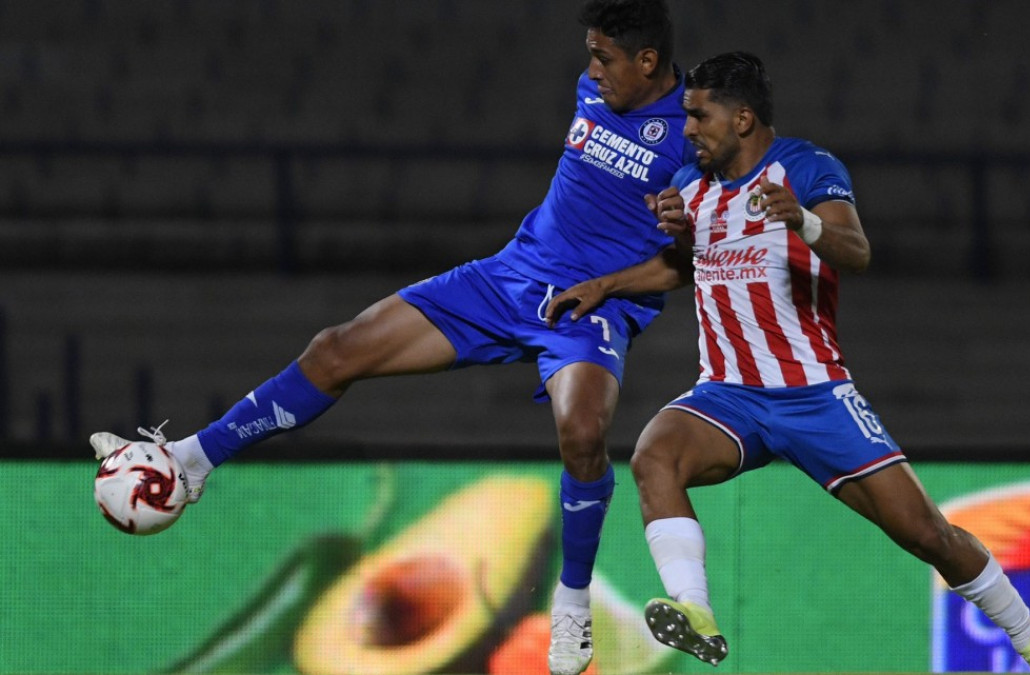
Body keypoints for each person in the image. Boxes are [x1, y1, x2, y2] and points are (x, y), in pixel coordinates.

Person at [88, 3, 687, 674]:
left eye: (605, 58)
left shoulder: (694, 132)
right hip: (509, 277)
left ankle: (572, 605)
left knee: (581, 432)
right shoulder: (595, 92)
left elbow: (684, 265)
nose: (591, 69)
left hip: (594, 306)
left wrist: (607, 288)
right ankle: (193, 459)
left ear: (647, 62)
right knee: (335, 348)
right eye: (591, 54)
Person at [544, 52, 1030, 675]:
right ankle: (694, 610)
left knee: (926, 534)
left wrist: (799, 220)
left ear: (742, 118)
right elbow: (685, 262)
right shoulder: (691, 187)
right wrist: (607, 284)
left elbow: (855, 252)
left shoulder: (807, 167)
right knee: (652, 455)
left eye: (698, 116)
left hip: (813, 394)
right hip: (726, 394)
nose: (687, 128)